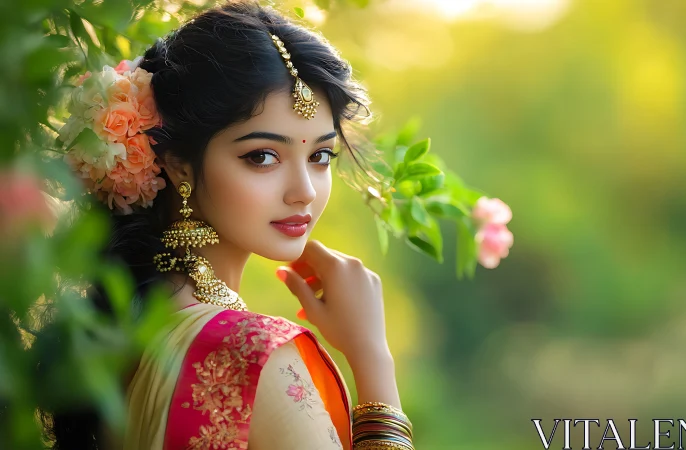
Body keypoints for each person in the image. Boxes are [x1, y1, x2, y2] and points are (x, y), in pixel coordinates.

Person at [44, 2, 415, 449]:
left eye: (320, 156)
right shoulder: (251, 354)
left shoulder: (125, 336)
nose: (304, 191)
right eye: (262, 156)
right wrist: (372, 357)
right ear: (178, 166)